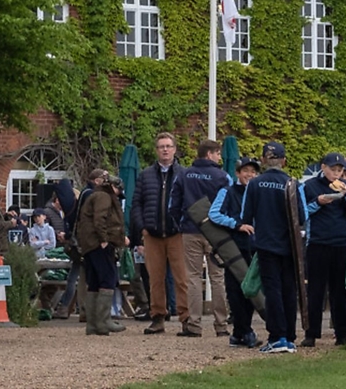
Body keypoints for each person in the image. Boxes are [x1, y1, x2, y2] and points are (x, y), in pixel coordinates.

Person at [240, 141, 302, 354]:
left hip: (266, 244)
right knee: (289, 290)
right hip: (290, 245)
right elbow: (302, 216)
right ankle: (290, 336)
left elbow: (245, 216)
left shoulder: (255, 185)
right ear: (284, 161)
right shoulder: (293, 184)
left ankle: (277, 336)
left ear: (264, 160)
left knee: (272, 290)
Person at [133, 132, 190, 336]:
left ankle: (186, 319)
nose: (165, 149)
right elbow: (136, 203)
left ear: (174, 149)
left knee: (181, 279)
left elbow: (189, 203)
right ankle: (157, 317)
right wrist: (143, 227)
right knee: (155, 279)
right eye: (161, 146)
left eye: (168, 146)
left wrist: (183, 225)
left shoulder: (184, 174)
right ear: (156, 150)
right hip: (153, 234)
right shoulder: (145, 175)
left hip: (177, 234)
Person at [300, 152, 346, 347]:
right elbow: (302, 213)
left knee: (339, 290)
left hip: (341, 242)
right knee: (316, 290)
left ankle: (342, 333)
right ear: (323, 167)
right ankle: (311, 333)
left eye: (340, 170)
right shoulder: (309, 186)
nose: (336, 174)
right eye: (333, 170)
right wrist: (318, 202)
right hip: (317, 242)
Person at [173, 138, 231, 338]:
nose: (219, 157)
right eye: (217, 154)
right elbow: (229, 203)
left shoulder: (184, 174)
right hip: (217, 232)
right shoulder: (223, 176)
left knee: (193, 278)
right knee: (217, 278)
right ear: (209, 154)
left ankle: (194, 325)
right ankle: (221, 324)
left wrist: (180, 222)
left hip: (190, 229)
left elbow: (174, 203)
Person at [209, 156, 262, 348]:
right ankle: (244, 331)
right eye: (246, 171)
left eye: (253, 171)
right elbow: (214, 214)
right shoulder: (227, 192)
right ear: (238, 173)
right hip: (233, 247)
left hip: (254, 247)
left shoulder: (258, 191)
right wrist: (237, 225)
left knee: (250, 290)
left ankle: (240, 332)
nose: (249, 175)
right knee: (236, 291)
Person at [76, 171, 129, 335]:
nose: (119, 194)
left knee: (94, 282)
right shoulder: (104, 197)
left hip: (89, 244)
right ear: (113, 187)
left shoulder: (95, 195)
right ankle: (103, 322)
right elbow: (100, 219)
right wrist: (104, 239)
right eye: (119, 191)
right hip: (99, 244)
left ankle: (92, 324)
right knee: (108, 279)